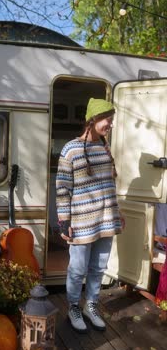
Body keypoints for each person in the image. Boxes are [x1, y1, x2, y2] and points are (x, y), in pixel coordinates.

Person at [56, 97, 125, 332]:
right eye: (108, 119)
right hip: (81, 221)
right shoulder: (70, 149)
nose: (111, 124)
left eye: (112, 119)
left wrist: (118, 213)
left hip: (105, 219)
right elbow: (63, 188)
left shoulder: (104, 147)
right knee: (77, 268)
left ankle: (91, 305)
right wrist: (64, 222)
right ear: (93, 119)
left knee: (98, 267)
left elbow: (109, 184)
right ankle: (74, 306)